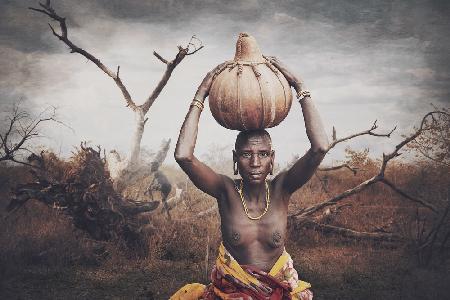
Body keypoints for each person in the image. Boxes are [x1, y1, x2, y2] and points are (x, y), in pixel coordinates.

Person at [172, 57, 329, 300]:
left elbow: (320, 147)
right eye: (246, 155)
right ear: (236, 159)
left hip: (279, 291)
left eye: (263, 154)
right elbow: (183, 155)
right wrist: (201, 93)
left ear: (272, 159)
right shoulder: (225, 190)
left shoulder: (282, 189)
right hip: (231, 293)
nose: (255, 163)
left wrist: (299, 86)